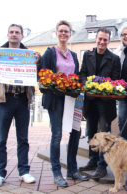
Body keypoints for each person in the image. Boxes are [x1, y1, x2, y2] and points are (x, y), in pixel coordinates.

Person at [0, 24, 39, 187]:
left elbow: (38, 76)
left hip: (22, 100)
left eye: (17, 32)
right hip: (4, 101)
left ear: (22, 36)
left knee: (23, 139)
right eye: (11, 32)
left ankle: (24, 172)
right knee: (1, 139)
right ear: (7, 35)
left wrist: (38, 62)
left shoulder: (29, 54)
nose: (14, 35)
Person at [40, 20, 88, 187]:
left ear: (70, 34)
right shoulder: (49, 52)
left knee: (75, 132)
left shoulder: (74, 55)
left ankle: (73, 170)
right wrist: (54, 85)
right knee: (57, 135)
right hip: (56, 99)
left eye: (66, 31)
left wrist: (82, 84)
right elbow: (43, 76)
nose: (63, 34)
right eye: (60, 31)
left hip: (72, 99)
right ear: (56, 33)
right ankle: (57, 173)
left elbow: (78, 75)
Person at [79, 28, 121, 179]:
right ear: (96, 39)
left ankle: (102, 166)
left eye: (105, 40)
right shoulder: (87, 54)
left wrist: (103, 86)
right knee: (91, 132)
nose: (102, 42)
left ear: (109, 41)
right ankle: (92, 160)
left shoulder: (114, 59)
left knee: (104, 134)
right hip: (90, 100)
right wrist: (87, 84)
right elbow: (82, 73)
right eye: (100, 39)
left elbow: (116, 79)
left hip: (105, 102)